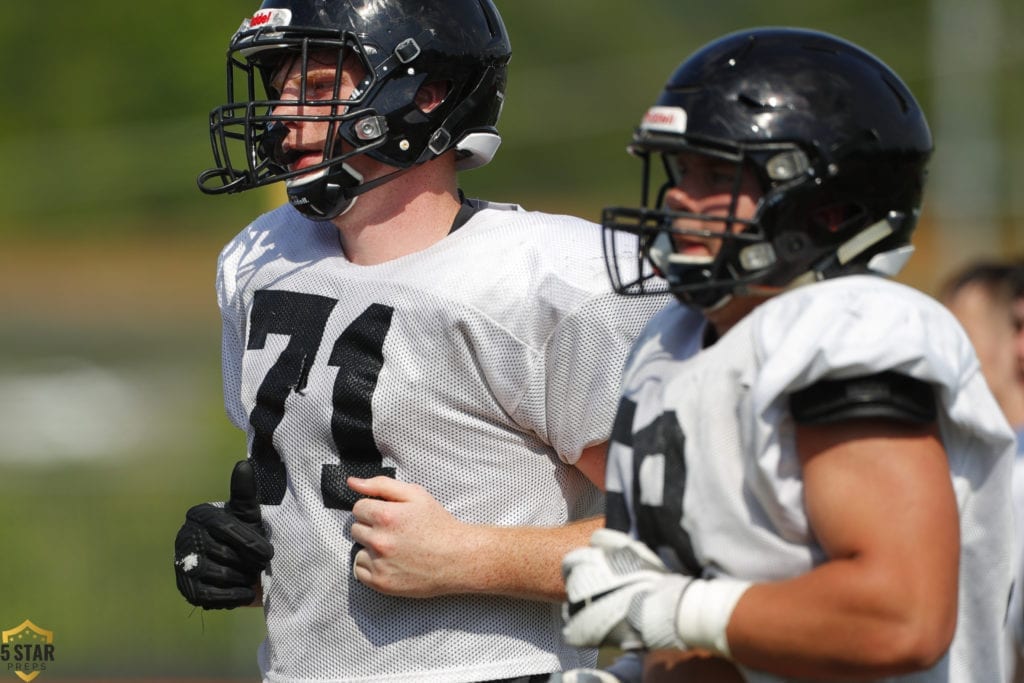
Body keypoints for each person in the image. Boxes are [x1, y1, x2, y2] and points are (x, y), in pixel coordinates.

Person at [170, 1, 673, 682]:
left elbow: (682, 537)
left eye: (318, 88)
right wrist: (253, 552)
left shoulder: (550, 282)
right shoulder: (262, 256)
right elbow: (323, 491)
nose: (285, 113)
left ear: (424, 94)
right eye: (280, 87)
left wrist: (475, 555)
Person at [557, 27, 1016, 682]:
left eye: (719, 174)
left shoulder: (848, 327)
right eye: (681, 170)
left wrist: (680, 608)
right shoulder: (674, 336)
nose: (683, 197)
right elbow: (699, 619)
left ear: (828, 208)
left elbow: (899, 616)